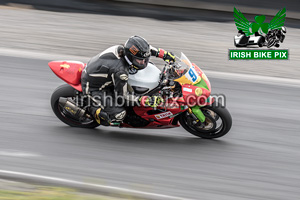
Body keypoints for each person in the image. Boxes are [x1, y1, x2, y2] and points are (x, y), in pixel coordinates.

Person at [81, 35, 175, 126]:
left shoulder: (126, 50)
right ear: (130, 57)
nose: (143, 62)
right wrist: (144, 100)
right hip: (94, 87)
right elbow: (122, 97)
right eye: (139, 60)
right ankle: (93, 110)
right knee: (119, 115)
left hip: (101, 74)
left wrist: (164, 54)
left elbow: (146, 50)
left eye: (145, 59)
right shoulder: (121, 72)